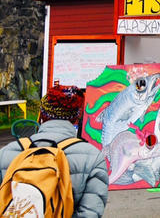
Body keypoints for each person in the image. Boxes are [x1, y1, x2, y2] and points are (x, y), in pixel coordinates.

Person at [0, 86, 108, 217]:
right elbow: (90, 212)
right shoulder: (93, 157)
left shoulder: (6, 152)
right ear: (77, 117)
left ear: (42, 115)